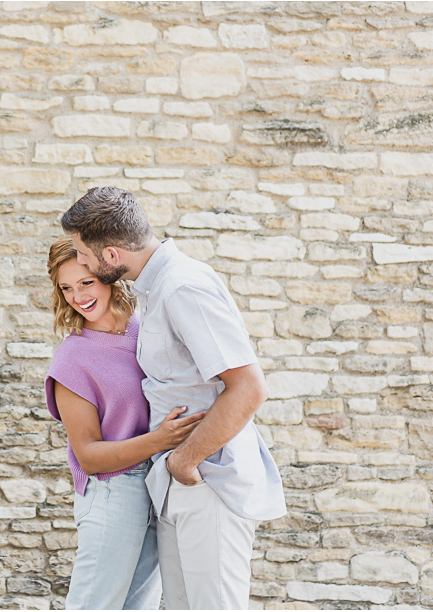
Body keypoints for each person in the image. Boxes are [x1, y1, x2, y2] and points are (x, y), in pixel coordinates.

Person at [61, 187, 287, 610]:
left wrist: (184, 461)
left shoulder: (182, 287)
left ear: (110, 255)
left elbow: (249, 386)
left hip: (207, 479)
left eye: (84, 254)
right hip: (174, 484)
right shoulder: (156, 290)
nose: (82, 262)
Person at [44, 237, 206, 610]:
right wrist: (159, 440)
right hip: (112, 492)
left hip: (156, 487)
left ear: (107, 276)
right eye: (66, 288)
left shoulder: (144, 328)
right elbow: (89, 456)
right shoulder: (73, 358)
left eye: (86, 283)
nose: (77, 296)